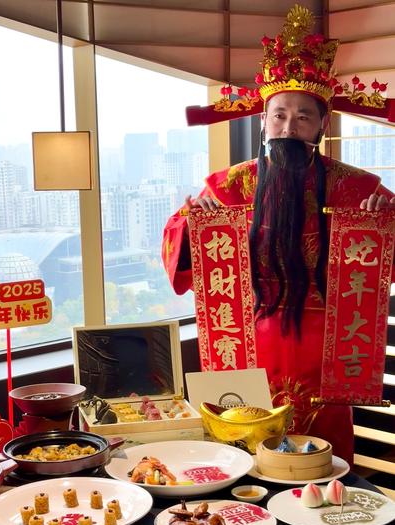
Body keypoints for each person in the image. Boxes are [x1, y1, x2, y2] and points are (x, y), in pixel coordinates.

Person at [162, 5, 394, 465]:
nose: (289, 127)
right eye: (279, 115)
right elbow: (177, 245)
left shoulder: (358, 187)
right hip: (248, 341)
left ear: (323, 124)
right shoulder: (228, 186)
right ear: (263, 121)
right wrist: (194, 224)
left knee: (324, 460)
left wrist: (384, 227)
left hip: (330, 347)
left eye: (303, 117)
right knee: (245, 453)